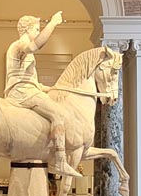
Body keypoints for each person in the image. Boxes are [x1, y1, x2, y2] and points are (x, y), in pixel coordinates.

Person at [4, 11, 82, 178]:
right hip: (22, 92)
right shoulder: (20, 45)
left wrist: (48, 88)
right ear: (28, 29)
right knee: (60, 113)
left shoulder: (21, 50)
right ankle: (60, 160)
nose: (38, 33)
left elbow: (25, 76)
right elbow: (35, 46)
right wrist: (53, 23)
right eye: (36, 29)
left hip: (28, 88)